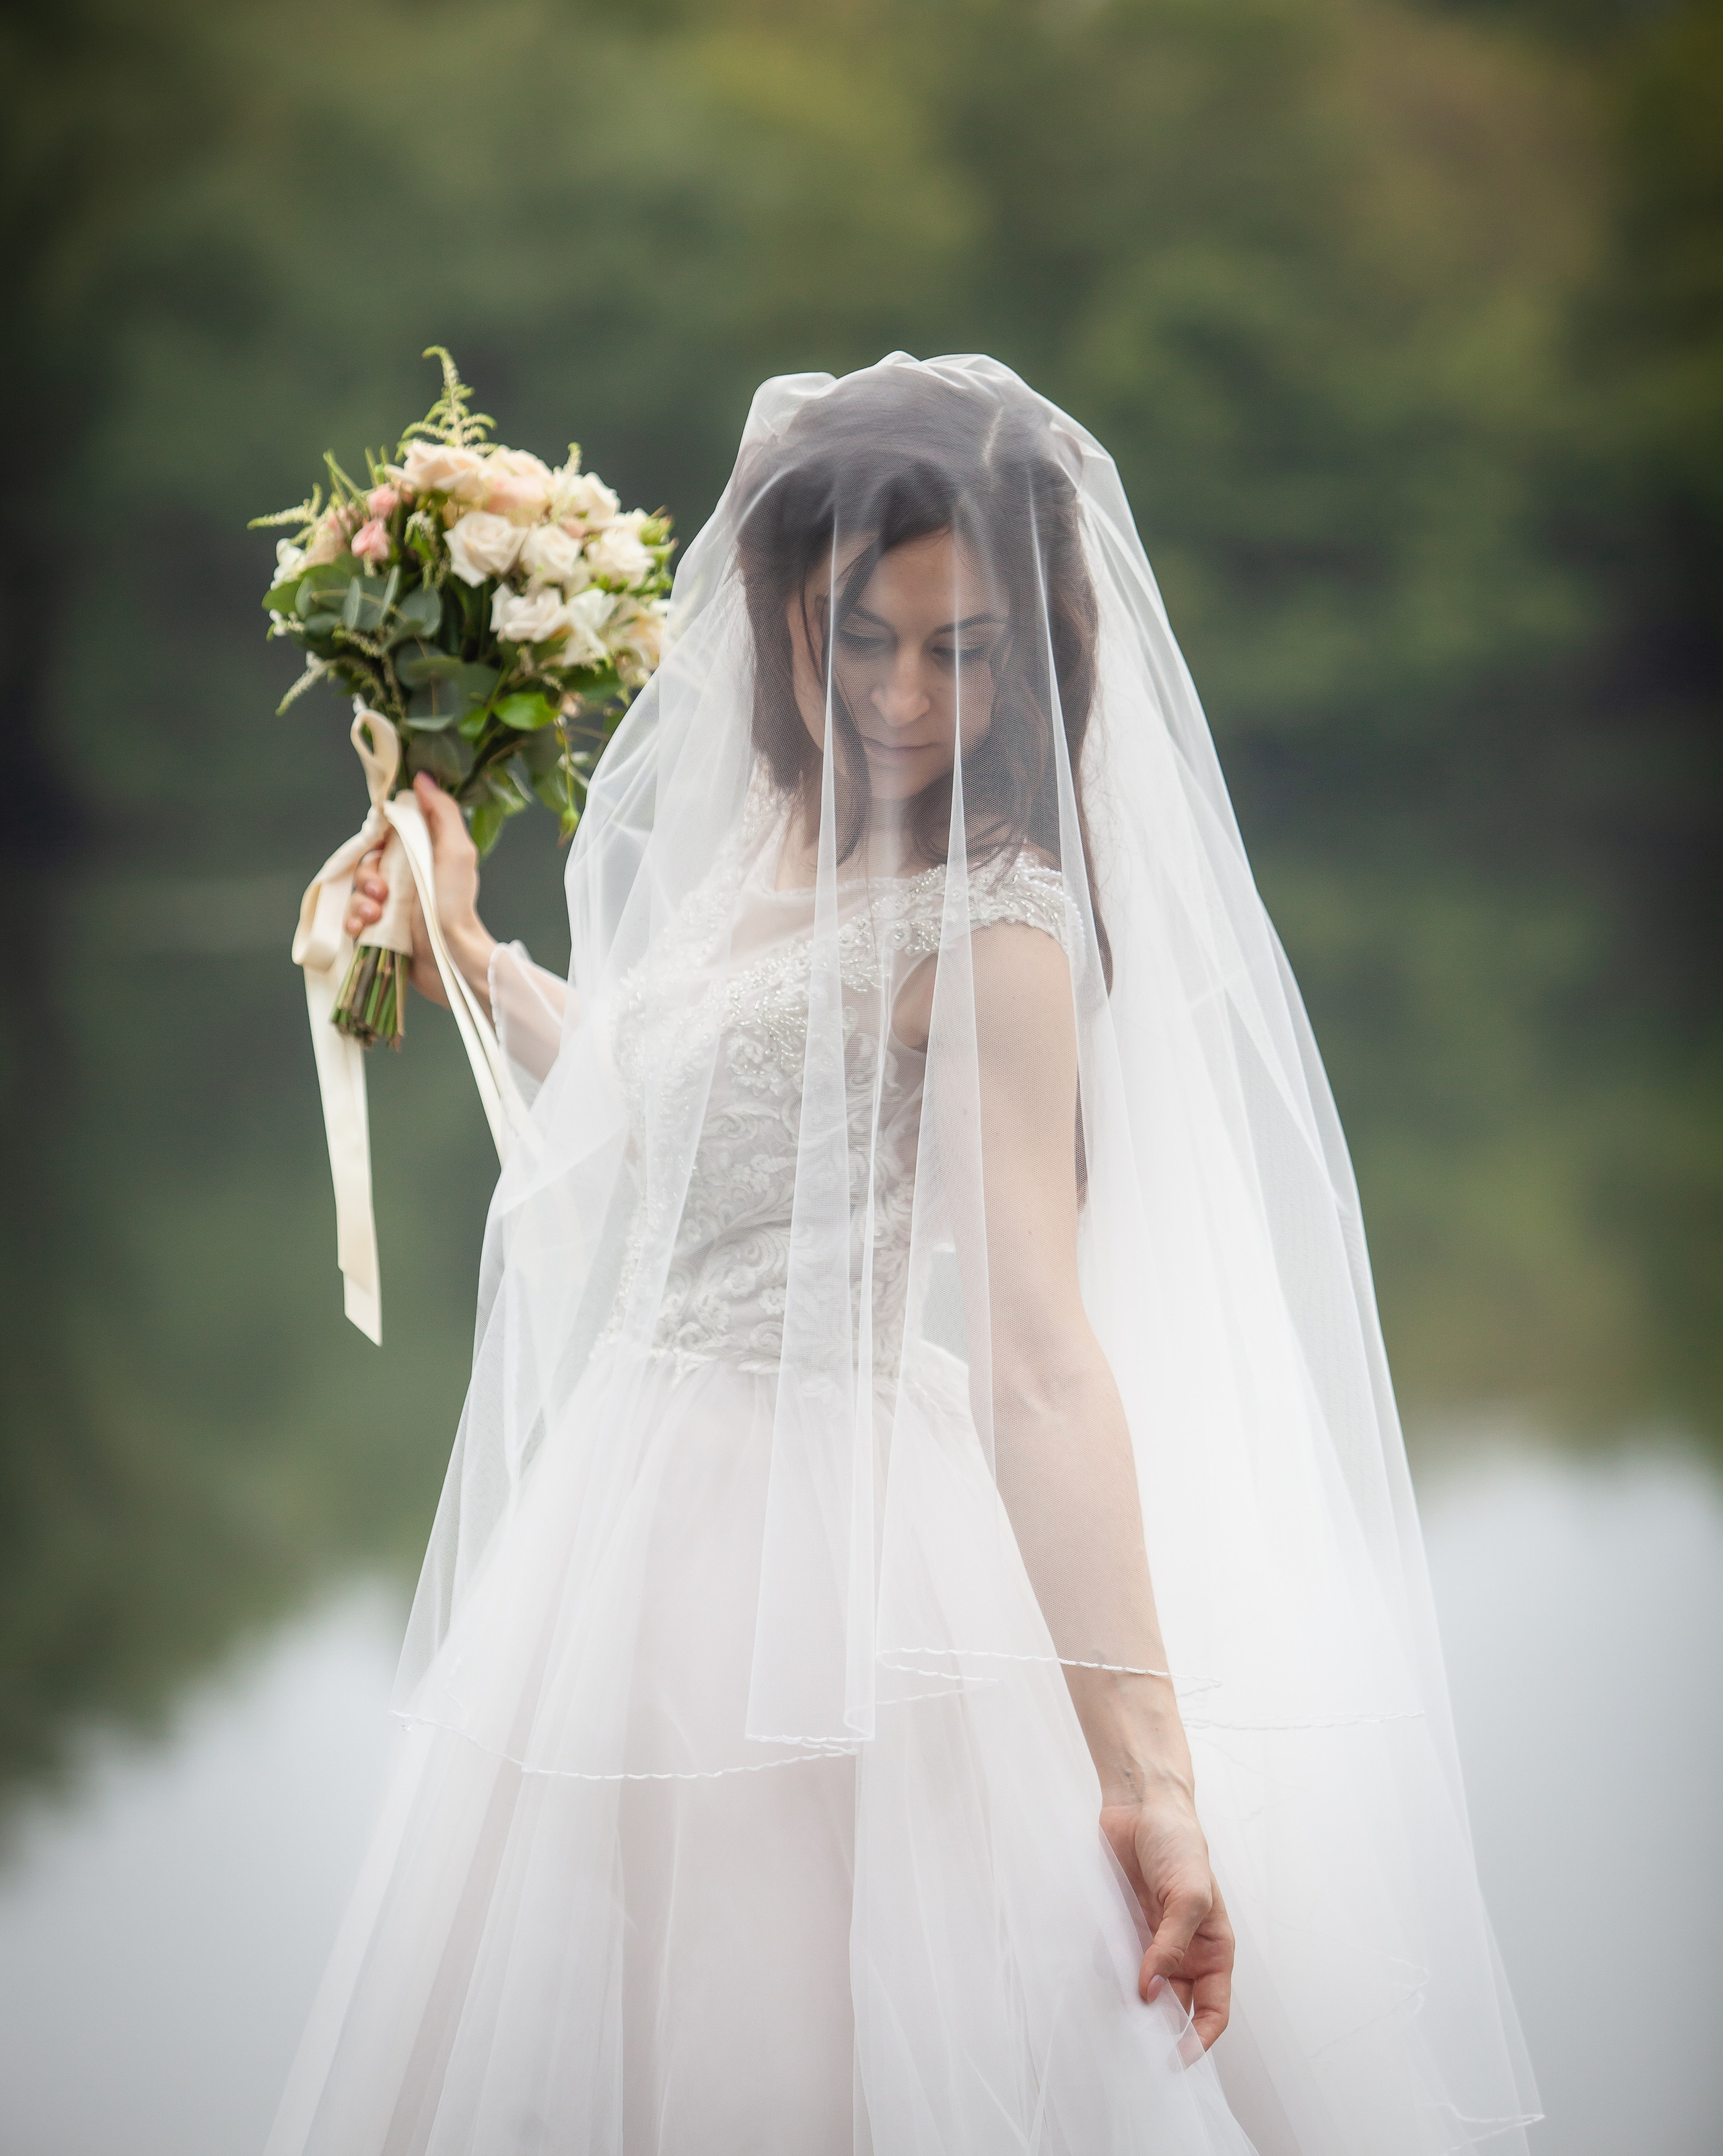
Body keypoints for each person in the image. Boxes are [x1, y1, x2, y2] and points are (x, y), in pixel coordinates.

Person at [266, 357, 1538, 2156]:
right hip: (623, 1536)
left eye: (966, 652)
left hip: (839, 1571)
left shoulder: (997, 915)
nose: (907, 701)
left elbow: (1039, 1361)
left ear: (1037, 647)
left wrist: (1152, 1781)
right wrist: (476, 955)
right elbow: (686, 1091)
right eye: (864, 639)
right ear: (787, 608)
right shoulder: (784, 823)